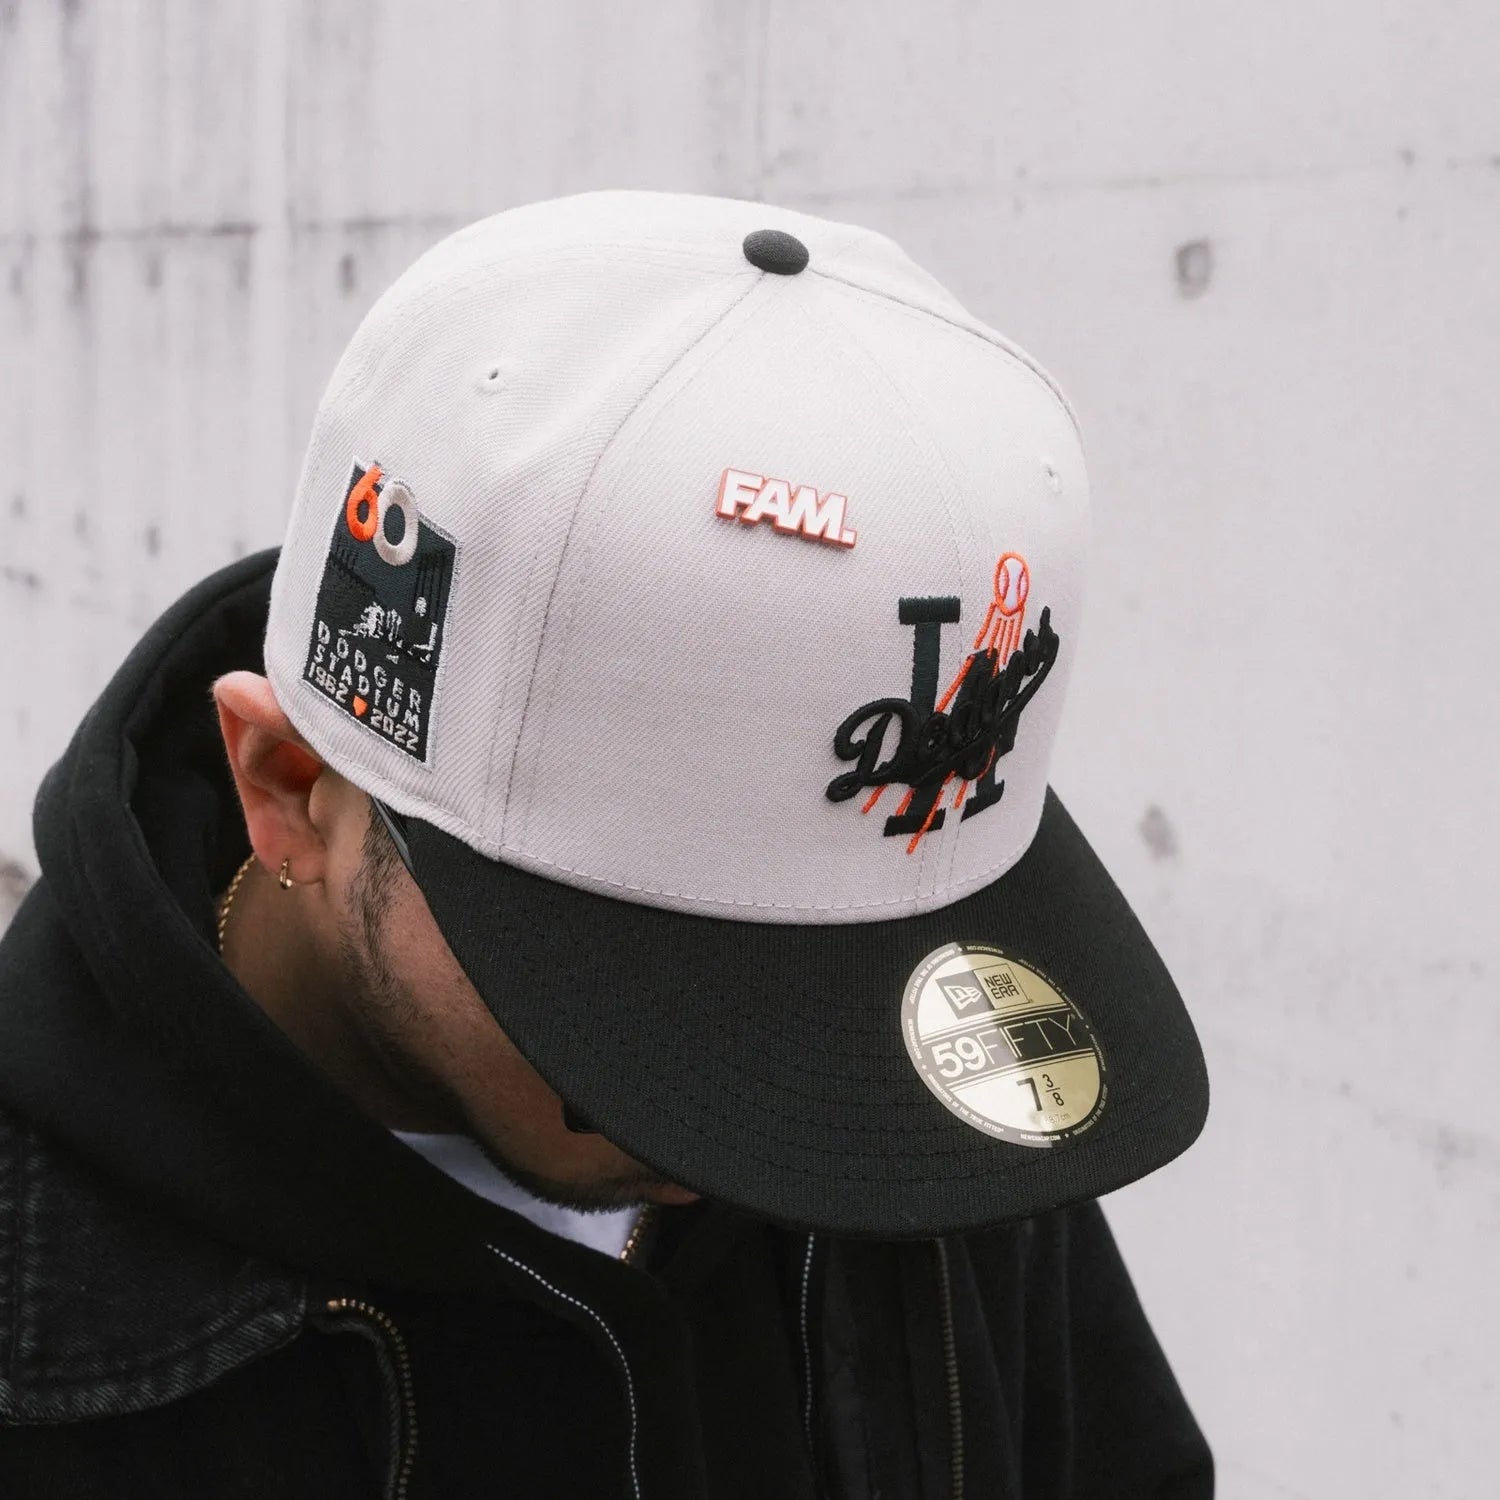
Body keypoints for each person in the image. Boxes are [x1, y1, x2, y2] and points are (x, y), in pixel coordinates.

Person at [0, 192, 1213, 1498]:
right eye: (640, 989)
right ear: (290, 789)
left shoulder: (923, 1122)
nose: (757, 1118)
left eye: (854, 982)